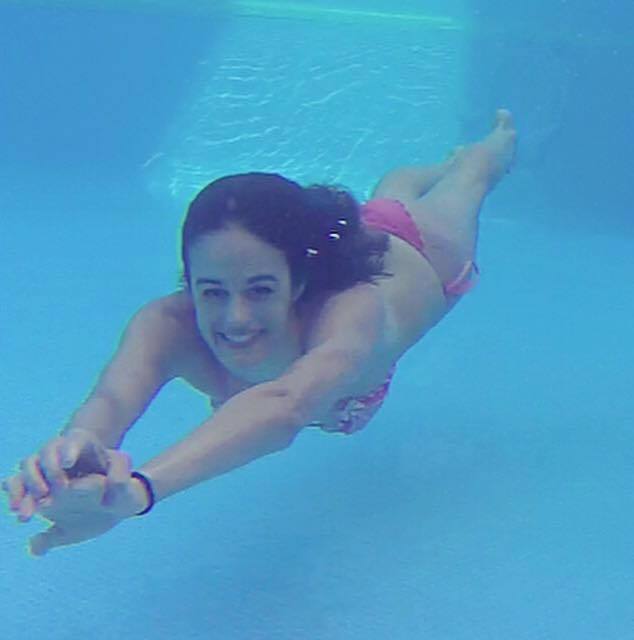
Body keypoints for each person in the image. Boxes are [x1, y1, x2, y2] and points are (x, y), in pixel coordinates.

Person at [2, 110, 517, 556]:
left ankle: (491, 142)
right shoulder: (169, 324)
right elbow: (113, 398)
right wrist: (77, 452)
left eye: (260, 290)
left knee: (471, 179)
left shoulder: (350, 311)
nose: (235, 318)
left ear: (299, 282)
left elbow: (287, 403)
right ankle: (412, 178)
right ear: (189, 281)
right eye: (212, 291)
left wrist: (139, 490)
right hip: (343, 237)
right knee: (390, 193)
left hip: (423, 252)